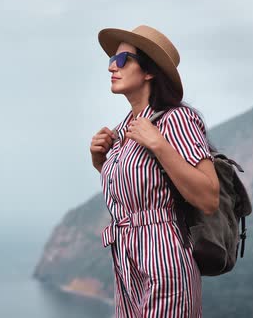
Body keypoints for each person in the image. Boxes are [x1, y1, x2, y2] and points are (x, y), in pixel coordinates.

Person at [89, 25, 220, 317]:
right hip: (125, 264)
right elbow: (134, 196)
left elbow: (209, 197)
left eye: (123, 60)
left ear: (149, 72)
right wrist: (101, 163)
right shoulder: (124, 129)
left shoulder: (177, 120)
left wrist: (159, 145)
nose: (112, 65)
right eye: (112, 58)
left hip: (165, 260)